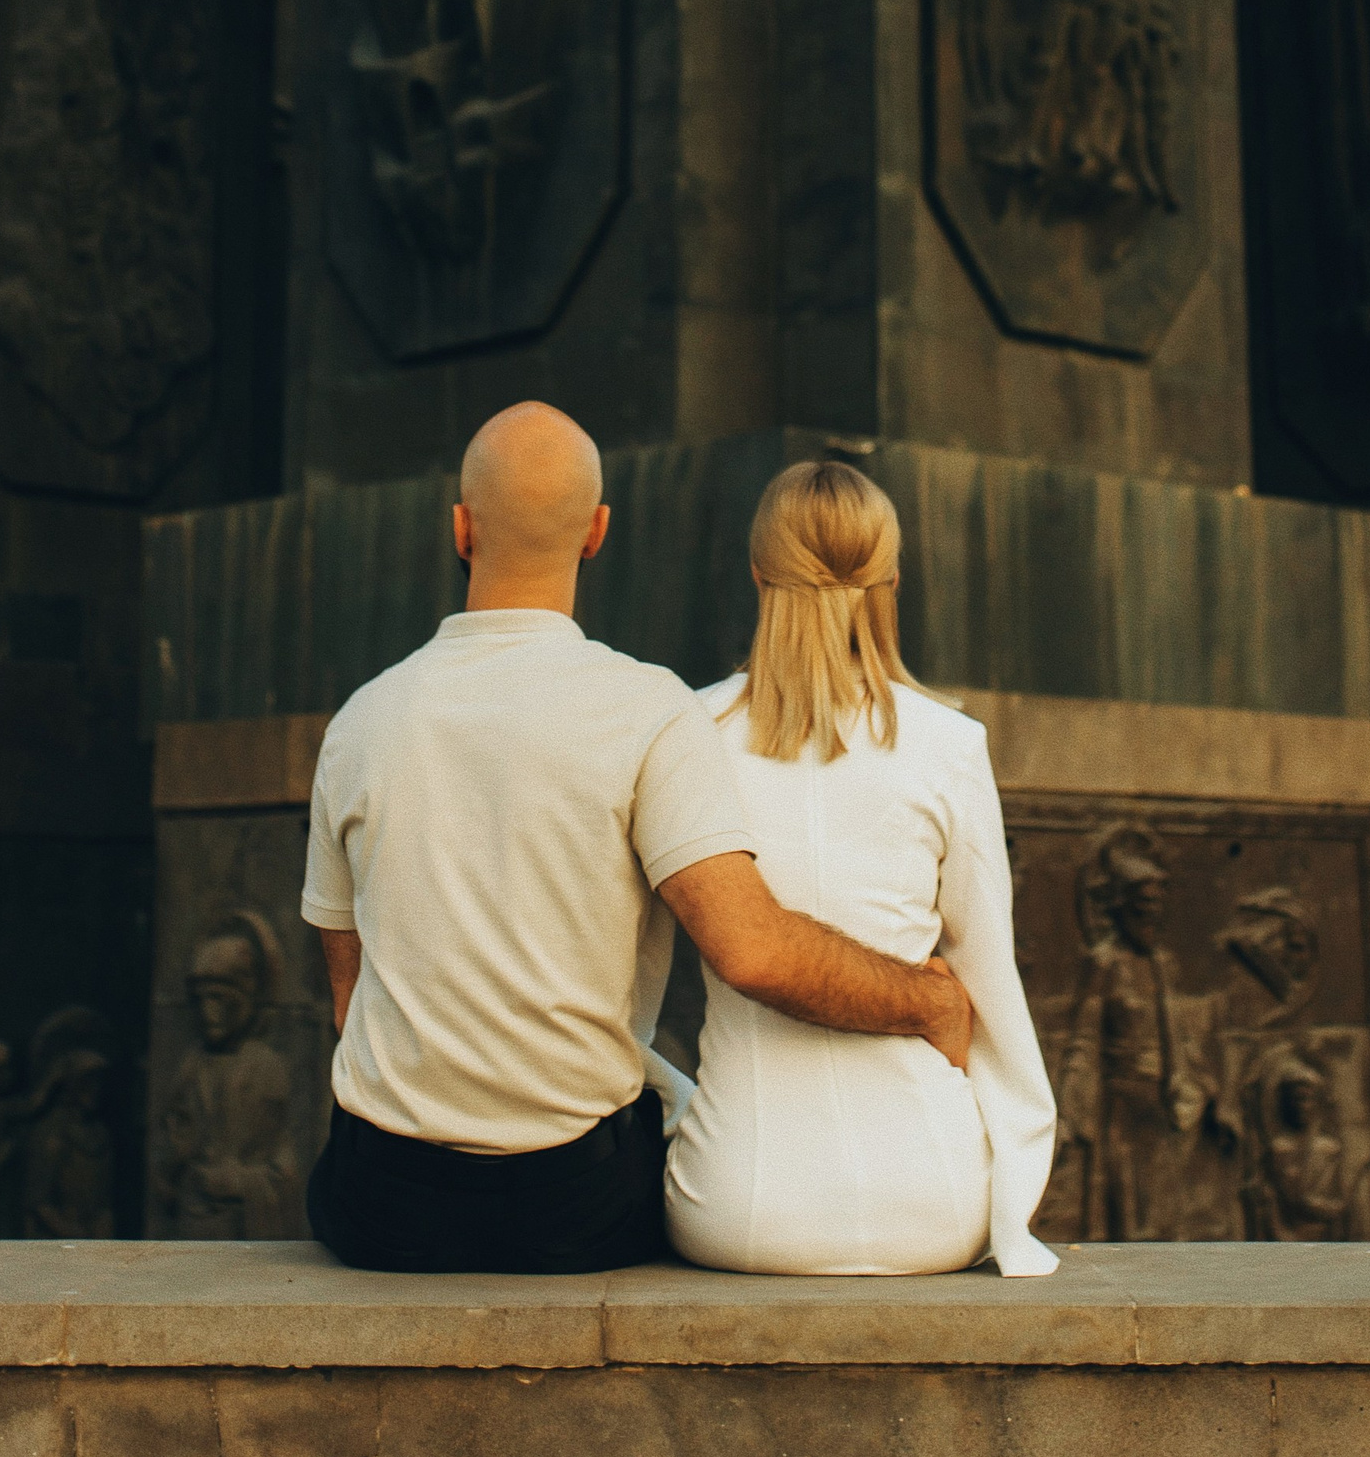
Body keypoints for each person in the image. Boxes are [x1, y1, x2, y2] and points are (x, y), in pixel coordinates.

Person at [302, 405, 973, 1273]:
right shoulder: (648, 711)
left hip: (379, 1206)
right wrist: (928, 1001)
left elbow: (348, 1000)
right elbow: (752, 951)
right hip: (570, 1210)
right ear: (597, 534)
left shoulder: (360, 722)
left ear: (462, 529)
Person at [663, 461, 1059, 1276]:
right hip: (938, 1203)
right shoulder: (952, 745)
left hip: (738, 1202)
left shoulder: (682, 733)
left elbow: (621, 999)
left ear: (757, 574)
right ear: (892, 579)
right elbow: (991, 981)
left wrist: (682, 1109)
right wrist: (1012, 1186)